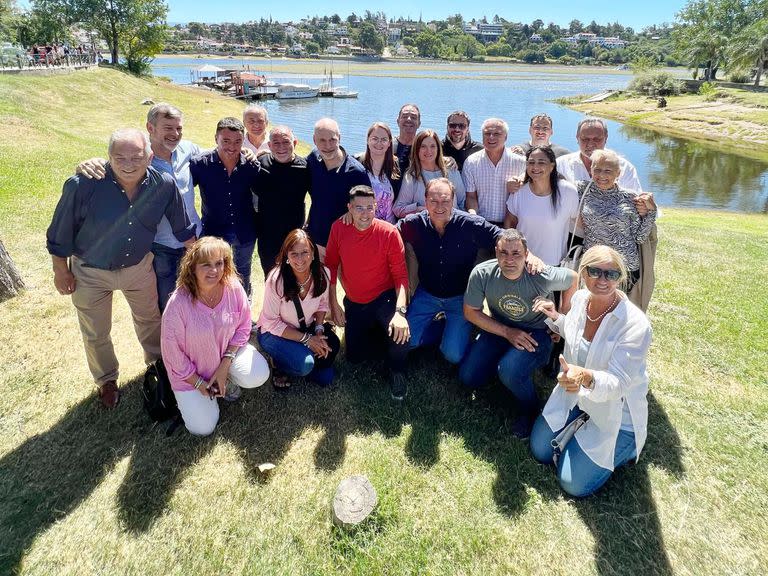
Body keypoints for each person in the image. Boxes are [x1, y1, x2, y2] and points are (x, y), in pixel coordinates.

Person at [46, 128, 195, 408]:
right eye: (119, 157)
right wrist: (60, 270)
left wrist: (203, 262)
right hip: (90, 271)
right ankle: (106, 380)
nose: (128, 164)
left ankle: (158, 366)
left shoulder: (163, 184)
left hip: (138, 267)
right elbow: (59, 232)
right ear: (109, 157)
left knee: (150, 320)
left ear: (150, 156)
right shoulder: (83, 184)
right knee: (95, 330)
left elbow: (183, 229)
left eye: (136, 157)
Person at [529, 245, 652, 497]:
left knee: (571, 484)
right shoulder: (580, 300)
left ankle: (625, 446)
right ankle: (577, 427)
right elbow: (576, 336)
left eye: (612, 273)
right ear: (583, 273)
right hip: (577, 395)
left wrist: (584, 376)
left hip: (616, 413)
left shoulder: (636, 325)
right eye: (595, 271)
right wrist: (555, 318)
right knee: (539, 449)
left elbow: (617, 384)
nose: (603, 280)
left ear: (621, 277)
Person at [74, 103, 202, 310]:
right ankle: (167, 341)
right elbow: (113, 164)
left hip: (193, 238)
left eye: (179, 128)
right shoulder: (138, 158)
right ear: (150, 128)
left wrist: (252, 151)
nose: (175, 134)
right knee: (166, 302)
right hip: (159, 246)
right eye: (168, 128)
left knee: (196, 296)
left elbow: (220, 152)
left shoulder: (188, 149)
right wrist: (87, 164)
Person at [460, 229, 576, 437]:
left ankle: (530, 408)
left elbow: (573, 278)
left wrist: (561, 316)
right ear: (496, 252)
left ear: (526, 254)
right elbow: (471, 312)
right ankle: (503, 372)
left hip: (537, 332)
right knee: (469, 377)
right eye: (503, 252)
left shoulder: (539, 274)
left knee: (509, 370)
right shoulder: (482, 273)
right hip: (500, 327)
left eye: (516, 254)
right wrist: (506, 332)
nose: (509, 259)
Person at [161, 237, 270, 436]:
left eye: (219, 263)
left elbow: (244, 325)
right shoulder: (178, 304)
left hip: (226, 356)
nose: (214, 271)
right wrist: (198, 383)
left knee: (258, 374)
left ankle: (225, 379)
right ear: (192, 267)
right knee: (202, 429)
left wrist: (225, 365)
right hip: (191, 374)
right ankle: (206, 394)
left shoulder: (233, 287)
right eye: (206, 265)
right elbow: (172, 355)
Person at [398, 178, 502, 365]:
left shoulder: (470, 224)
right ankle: (440, 328)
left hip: (460, 297)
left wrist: (528, 253)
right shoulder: (414, 224)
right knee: (406, 342)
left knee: (453, 355)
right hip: (427, 293)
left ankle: (452, 331)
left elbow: (500, 235)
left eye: (445, 200)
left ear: (453, 200)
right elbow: (387, 233)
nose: (439, 206)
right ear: (425, 200)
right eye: (433, 200)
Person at [326, 185, 411, 400]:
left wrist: (400, 313)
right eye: (359, 208)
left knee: (400, 333)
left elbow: (401, 277)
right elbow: (332, 267)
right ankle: (378, 337)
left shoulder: (389, 232)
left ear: (376, 207)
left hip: (384, 298)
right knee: (354, 357)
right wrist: (333, 303)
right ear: (349, 208)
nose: (365, 214)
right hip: (355, 301)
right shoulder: (338, 228)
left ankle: (397, 371)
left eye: (370, 208)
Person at [256, 230, 340, 389]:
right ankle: (278, 364)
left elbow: (322, 304)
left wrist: (319, 331)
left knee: (330, 358)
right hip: (273, 333)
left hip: (304, 327)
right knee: (305, 364)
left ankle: (300, 360)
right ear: (286, 256)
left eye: (305, 252)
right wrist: (308, 340)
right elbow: (271, 323)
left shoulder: (323, 274)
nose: (300, 259)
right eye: (294, 254)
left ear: (313, 253)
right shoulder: (276, 280)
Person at [190, 117, 260, 297]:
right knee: (214, 276)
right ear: (216, 139)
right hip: (214, 232)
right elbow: (182, 191)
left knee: (242, 273)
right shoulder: (200, 164)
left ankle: (242, 316)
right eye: (226, 141)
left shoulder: (251, 165)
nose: (232, 146)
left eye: (238, 142)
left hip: (245, 231)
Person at [578, 149, 657, 294]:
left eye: (608, 170)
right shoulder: (582, 191)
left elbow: (639, 237)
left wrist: (652, 212)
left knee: (617, 310)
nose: (602, 175)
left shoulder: (630, 198)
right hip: (593, 265)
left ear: (618, 173)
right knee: (591, 306)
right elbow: (553, 179)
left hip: (623, 268)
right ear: (591, 170)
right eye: (597, 170)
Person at [504, 146, 580, 268]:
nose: (535, 167)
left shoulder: (568, 191)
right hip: (522, 263)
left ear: (552, 166)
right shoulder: (519, 191)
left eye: (541, 162)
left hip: (553, 266)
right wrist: (512, 250)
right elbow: (510, 222)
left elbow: (578, 223)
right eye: (531, 162)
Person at [305, 118, 370, 257]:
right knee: (321, 279)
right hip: (316, 238)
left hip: (345, 241)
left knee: (349, 279)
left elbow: (369, 205)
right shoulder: (312, 160)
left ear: (339, 138)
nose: (328, 145)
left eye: (332, 140)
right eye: (322, 140)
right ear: (314, 140)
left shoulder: (356, 172)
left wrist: (352, 211)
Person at [253, 125, 311, 276]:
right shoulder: (260, 164)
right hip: (267, 235)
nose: (281, 147)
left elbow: (318, 199)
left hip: (294, 235)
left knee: (296, 276)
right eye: (276, 143)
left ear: (295, 143)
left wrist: (309, 223)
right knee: (271, 276)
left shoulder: (305, 169)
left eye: (286, 142)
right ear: (270, 145)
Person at [463, 118, 526, 227]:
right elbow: (471, 196)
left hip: (511, 225)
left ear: (506, 137)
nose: (491, 137)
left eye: (497, 134)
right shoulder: (471, 162)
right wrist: (473, 216)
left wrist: (522, 181)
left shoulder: (520, 163)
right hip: (481, 223)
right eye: (487, 133)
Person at [393, 129, 466, 218]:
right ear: (417, 149)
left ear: (438, 148)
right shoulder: (412, 176)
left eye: (432, 146)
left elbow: (463, 203)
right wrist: (419, 209)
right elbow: (398, 210)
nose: (428, 151)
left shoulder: (451, 170)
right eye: (423, 146)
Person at [556, 118, 641, 190]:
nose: (590, 144)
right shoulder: (560, 165)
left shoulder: (625, 168)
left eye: (597, 139)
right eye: (585, 139)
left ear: (606, 138)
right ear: (577, 138)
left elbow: (637, 202)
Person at [358, 122, 401, 223]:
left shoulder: (395, 165)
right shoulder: (357, 164)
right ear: (368, 140)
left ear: (389, 143)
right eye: (375, 139)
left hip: (389, 228)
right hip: (364, 227)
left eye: (384, 140)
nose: (379, 143)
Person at [393, 103, 421, 175]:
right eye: (404, 116)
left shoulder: (423, 148)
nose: (409, 119)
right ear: (398, 121)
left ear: (419, 123)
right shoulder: (387, 146)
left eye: (413, 117)